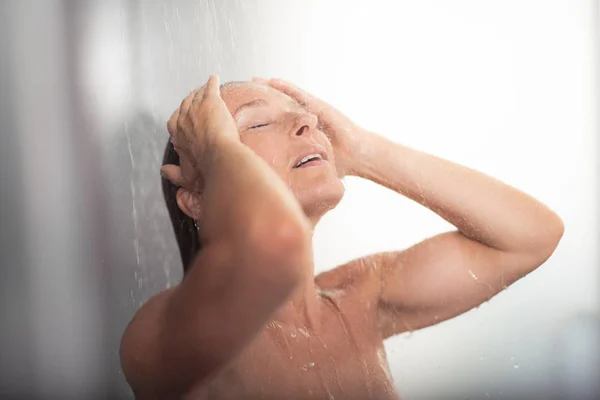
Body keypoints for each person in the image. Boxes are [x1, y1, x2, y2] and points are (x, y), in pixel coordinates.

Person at [120, 75, 564, 399]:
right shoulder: (167, 334)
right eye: (255, 125)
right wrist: (216, 149)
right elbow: (271, 248)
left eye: (304, 117)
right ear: (195, 200)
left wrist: (366, 152)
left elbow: (530, 237)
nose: (305, 124)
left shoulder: (359, 299)